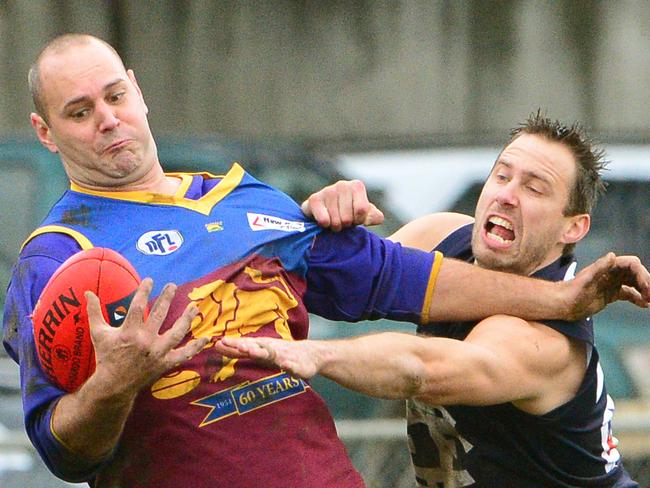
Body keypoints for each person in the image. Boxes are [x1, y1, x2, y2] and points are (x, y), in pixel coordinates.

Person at [1, 34, 648, 488]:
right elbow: (62, 450)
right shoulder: (60, 259)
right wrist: (113, 383)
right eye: (79, 112)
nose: (108, 120)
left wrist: (563, 301)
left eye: (115, 96)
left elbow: (403, 278)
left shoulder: (247, 199)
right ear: (45, 132)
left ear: (138, 91)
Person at [216, 113, 646, 487]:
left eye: (534, 189)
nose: (506, 194)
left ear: (573, 228)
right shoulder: (440, 236)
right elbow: (347, 281)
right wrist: (326, 217)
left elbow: (422, 369)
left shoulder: (541, 342)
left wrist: (316, 354)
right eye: (502, 175)